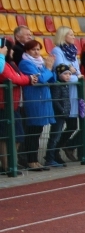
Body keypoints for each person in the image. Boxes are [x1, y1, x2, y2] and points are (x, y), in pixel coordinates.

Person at [17, 39, 54, 170]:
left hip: (43, 99)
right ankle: (31, 160)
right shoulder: (25, 63)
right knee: (33, 131)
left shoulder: (40, 62)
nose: (37, 52)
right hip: (33, 99)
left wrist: (50, 68)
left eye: (38, 49)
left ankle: (35, 160)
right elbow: (41, 79)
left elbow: (52, 78)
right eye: (33, 49)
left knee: (38, 131)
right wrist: (48, 69)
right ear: (27, 51)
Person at [0, 38, 33, 172]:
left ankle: (11, 162)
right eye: (10, 49)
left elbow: (19, 77)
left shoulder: (10, 64)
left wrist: (26, 79)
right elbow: (12, 78)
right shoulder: (4, 64)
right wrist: (28, 79)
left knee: (17, 136)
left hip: (14, 104)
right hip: (5, 105)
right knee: (5, 136)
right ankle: (7, 165)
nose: (12, 51)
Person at [48, 28, 81, 163]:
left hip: (73, 91)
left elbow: (76, 70)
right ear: (63, 36)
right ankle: (53, 153)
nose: (74, 37)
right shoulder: (57, 51)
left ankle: (58, 149)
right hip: (62, 92)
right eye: (71, 35)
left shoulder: (73, 51)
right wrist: (75, 76)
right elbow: (61, 72)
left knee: (72, 125)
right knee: (59, 125)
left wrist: (74, 73)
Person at [45, 64, 77, 168]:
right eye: (65, 74)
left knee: (57, 136)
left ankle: (52, 157)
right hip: (58, 114)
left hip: (63, 114)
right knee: (54, 137)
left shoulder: (65, 85)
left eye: (69, 74)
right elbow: (55, 100)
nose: (68, 76)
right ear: (59, 74)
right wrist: (62, 110)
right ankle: (49, 159)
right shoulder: (57, 85)